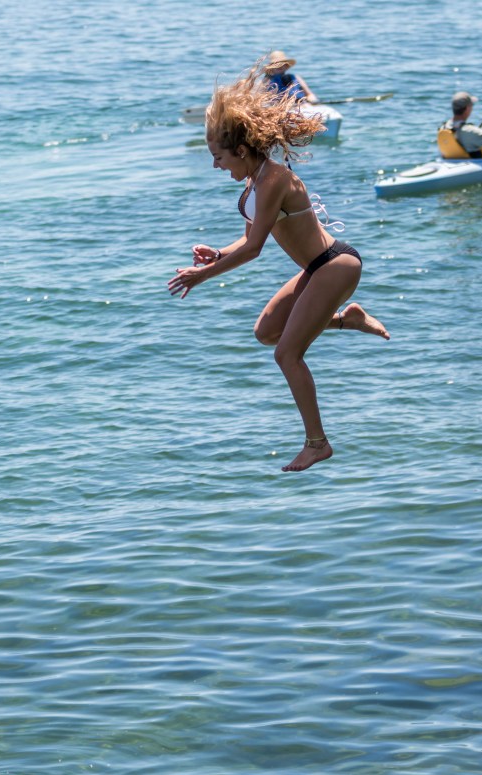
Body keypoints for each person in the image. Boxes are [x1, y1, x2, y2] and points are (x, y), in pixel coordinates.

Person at [167, 59, 389, 473]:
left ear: (242, 150)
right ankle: (348, 320)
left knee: (287, 354)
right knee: (266, 332)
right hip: (317, 269)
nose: (216, 165)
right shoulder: (256, 182)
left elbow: (253, 250)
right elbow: (254, 236)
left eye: (218, 157)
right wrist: (217, 253)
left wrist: (202, 276)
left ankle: (317, 443)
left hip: (335, 265)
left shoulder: (273, 180)